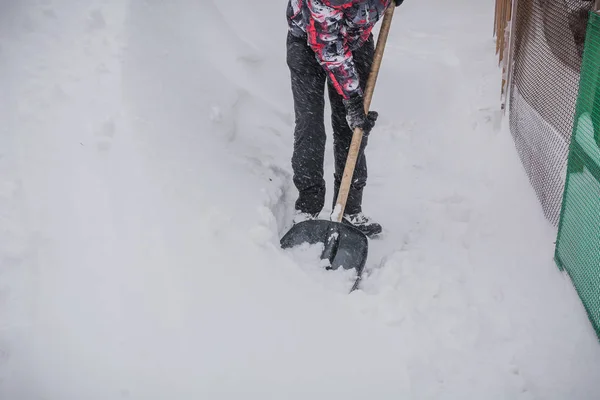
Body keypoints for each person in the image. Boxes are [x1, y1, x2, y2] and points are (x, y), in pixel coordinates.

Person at [286, 0, 402, 238]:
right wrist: (352, 99)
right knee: (310, 124)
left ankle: (349, 208)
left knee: (353, 127)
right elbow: (329, 47)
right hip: (307, 41)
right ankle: (308, 205)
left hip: (356, 41)